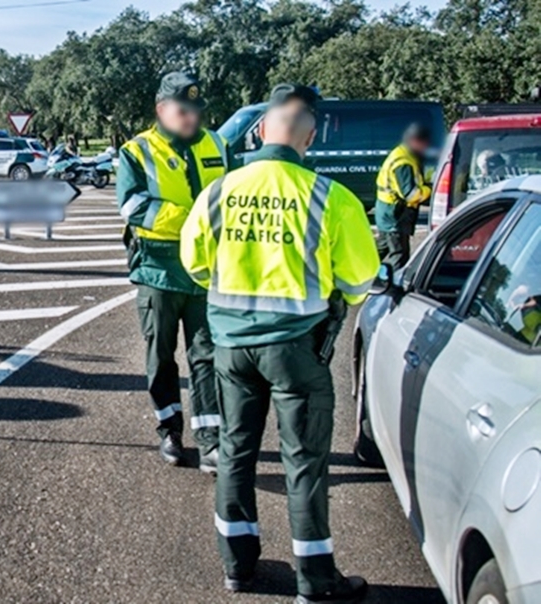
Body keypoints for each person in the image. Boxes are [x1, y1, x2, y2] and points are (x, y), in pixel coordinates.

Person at [180, 84, 380, 603]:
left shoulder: (219, 192)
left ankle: (238, 567)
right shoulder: (329, 197)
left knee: (236, 452)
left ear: (262, 130)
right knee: (304, 462)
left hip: (231, 348)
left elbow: (196, 264)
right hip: (297, 350)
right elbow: (360, 279)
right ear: (308, 139)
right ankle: (315, 580)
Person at [116, 72, 228, 471]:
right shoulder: (136, 151)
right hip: (158, 271)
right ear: (162, 110)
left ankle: (211, 440)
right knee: (161, 357)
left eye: (197, 110)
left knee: (208, 357)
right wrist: (196, 219)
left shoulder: (218, 143)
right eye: (184, 111)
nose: (192, 118)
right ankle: (169, 430)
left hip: (205, 274)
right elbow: (133, 206)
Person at [375, 123, 433, 270]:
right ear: (415, 141)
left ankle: (358, 272)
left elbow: (422, 175)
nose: (427, 147)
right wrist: (430, 191)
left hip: (387, 211)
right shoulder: (403, 162)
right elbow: (410, 194)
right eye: (425, 143)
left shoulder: (406, 154)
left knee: (381, 249)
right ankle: (395, 285)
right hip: (394, 214)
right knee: (400, 254)